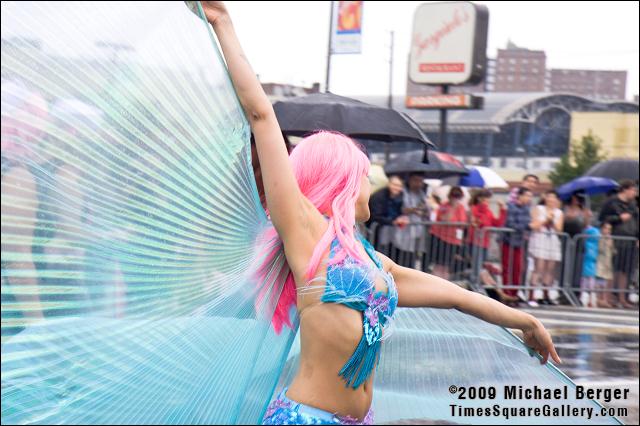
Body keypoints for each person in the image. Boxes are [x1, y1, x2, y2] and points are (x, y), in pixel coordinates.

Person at [203, 3, 560, 425]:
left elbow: (459, 298)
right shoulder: (307, 236)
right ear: (341, 180)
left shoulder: (373, 261)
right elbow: (262, 116)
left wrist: (525, 319)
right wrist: (223, 22)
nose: (368, 180)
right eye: (361, 172)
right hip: (306, 419)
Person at [598, 180, 639, 309]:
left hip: (630, 240)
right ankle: (609, 297)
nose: (635, 193)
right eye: (633, 190)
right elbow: (602, 219)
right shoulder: (611, 202)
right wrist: (619, 218)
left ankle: (623, 298)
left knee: (625, 270)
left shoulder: (633, 205)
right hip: (615, 239)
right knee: (613, 270)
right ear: (625, 190)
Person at [528, 190, 564, 307]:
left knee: (550, 269)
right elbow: (535, 225)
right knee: (539, 267)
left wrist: (552, 220)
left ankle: (545, 294)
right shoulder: (539, 209)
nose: (551, 200)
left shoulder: (559, 213)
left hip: (552, 241)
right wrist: (545, 219)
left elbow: (559, 229)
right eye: (549, 197)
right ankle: (532, 295)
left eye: (554, 198)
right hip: (540, 239)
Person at [501, 187, 533, 306]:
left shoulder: (526, 209)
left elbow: (527, 222)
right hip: (508, 241)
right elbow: (511, 223)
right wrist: (526, 226)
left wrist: (526, 226)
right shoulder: (511, 207)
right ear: (520, 196)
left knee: (517, 269)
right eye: (527, 195)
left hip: (519, 242)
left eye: (530, 196)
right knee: (507, 268)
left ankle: (514, 295)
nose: (529, 198)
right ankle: (506, 294)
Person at [467, 189, 507, 285]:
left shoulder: (488, 210)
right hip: (475, 241)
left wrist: (502, 210)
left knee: (481, 266)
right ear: (480, 199)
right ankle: (476, 285)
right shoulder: (475, 208)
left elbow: (496, 223)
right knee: (477, 267)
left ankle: (481, 285)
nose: (488, 201)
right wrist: (484, 207)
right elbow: (480, 223)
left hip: (484, 242)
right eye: (486, 199)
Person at [430, 186, 468, 281]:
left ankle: (444, 287)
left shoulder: (461, 208)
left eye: (458, 196)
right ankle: (434, 285)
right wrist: (453, 208)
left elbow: (462, 224)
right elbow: (445, 219)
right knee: (439, 265)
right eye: (454, 195)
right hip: (441, 238)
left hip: (453, 241)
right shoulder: (444, 206)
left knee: (447, 266)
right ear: (449, 196)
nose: (455, 198)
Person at [392, 173, 429, 268]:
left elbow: (427, 210)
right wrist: (414, 209)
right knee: (403, 257)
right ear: (410, 181)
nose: (418, 184)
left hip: (418, 229)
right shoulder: (403, 192)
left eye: (420, 181)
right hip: (405, 230)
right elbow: (400, 209)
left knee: (415, 256)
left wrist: (424, 210)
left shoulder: (422, 194)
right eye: (416, 180)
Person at [366, 175, 408, 256]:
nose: (397, 188)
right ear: (389, 184)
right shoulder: (379, 196)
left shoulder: (400, 196)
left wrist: (402, 217)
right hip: (376, 230)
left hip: (391, 231)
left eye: (399, 186)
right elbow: (375, 216)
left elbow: (399, 210)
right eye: (395, 185)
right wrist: (393, 222)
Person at [595, 221, 616, 309]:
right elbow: (599, 249)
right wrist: (605, 242)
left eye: (609, 229)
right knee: (600, 281)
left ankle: (605, 299)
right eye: (606, 228)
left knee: (607, 282)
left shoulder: (610, 239)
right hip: (600, 262)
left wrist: (611, 246)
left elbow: (614, 251)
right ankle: (599, 298)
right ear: (602, 229)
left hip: (608, 263)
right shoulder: (599, 238)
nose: (607, 231)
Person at [580, 222, 600, 308]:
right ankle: (588, 300)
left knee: (587, 284)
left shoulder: (588, 243)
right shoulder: (593, 244)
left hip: (589, 266)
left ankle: (589, 300)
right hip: (589, 265)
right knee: (589, 284)